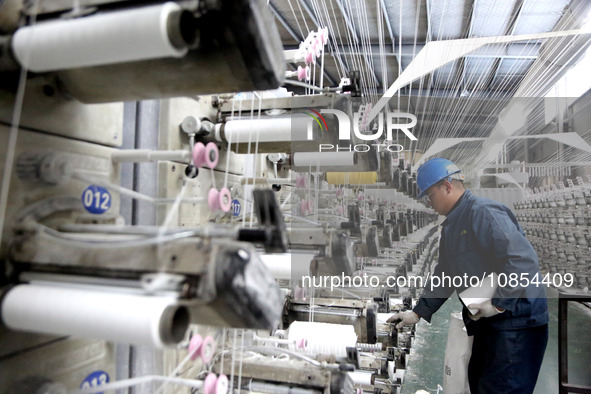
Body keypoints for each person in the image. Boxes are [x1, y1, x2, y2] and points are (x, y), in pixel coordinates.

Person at [388, 158, 548, 393]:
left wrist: (499, 304)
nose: (429, 202)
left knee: (502, 388)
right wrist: (418, 312)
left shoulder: (483, 212)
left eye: (430, 195)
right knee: (480, 384)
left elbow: (521, 261)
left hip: (517, 323)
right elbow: (445, 274)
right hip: (490, 322)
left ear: (447, 186)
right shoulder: (452, 225)